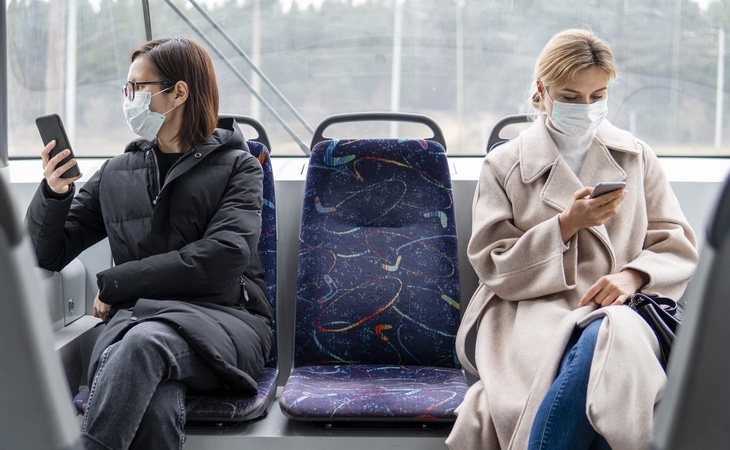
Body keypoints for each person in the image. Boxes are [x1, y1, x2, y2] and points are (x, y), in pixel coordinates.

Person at [446, 29, 698, 450]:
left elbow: (675, 243)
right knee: (603, 384)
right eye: (571, 95)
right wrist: (565, 225)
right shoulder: (504, 165)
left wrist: (632, 277)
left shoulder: (636, 156)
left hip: (619, 304)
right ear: (541, 91)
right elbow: (493, 265)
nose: (586, 107)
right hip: (529, 312)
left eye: (597, 96)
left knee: (610, 335)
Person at [26, 37, 273, 450]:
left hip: (226, 322)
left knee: (143, 344)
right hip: (138, 327)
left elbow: (225, 257)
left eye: (139, 88)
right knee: (154, 401)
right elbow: (46, 252)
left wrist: (120, 283)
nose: (130, 99)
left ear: (179, 92)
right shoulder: (117, 172)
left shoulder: (239, 166)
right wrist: (54, 193)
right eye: (127, 88)